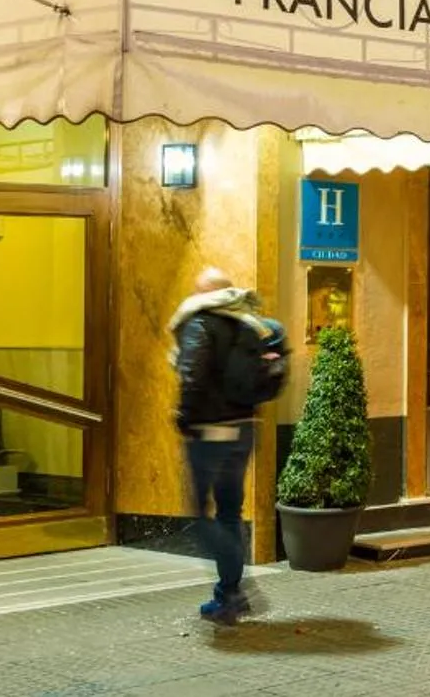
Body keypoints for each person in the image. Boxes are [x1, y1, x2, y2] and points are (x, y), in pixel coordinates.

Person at [170, 267, 282, 625]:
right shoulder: (251, 323)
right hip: (245, 426)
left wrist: (184, 418)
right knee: (230, 512)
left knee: (200, 514)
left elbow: (192, 374)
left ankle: (234, 591)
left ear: (205, 292)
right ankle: (229, 594)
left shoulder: (200, 322)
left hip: (209, 429)